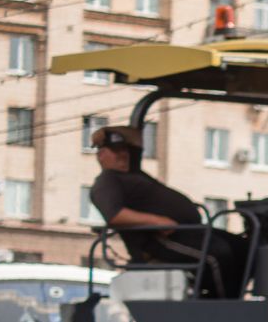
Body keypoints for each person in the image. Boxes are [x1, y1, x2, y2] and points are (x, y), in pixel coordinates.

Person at [87, 125, 247, 297]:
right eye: (115, 151)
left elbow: (136, 145)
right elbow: (115, 215)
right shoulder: (107, 182)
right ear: (101, 155)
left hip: (188, 231)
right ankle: (223, 305)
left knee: (243, 247)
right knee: (215, 255)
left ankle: (223, 295)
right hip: (160, 238)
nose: (123, 154)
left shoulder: (135, 175)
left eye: (124, 150)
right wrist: (156, 221)